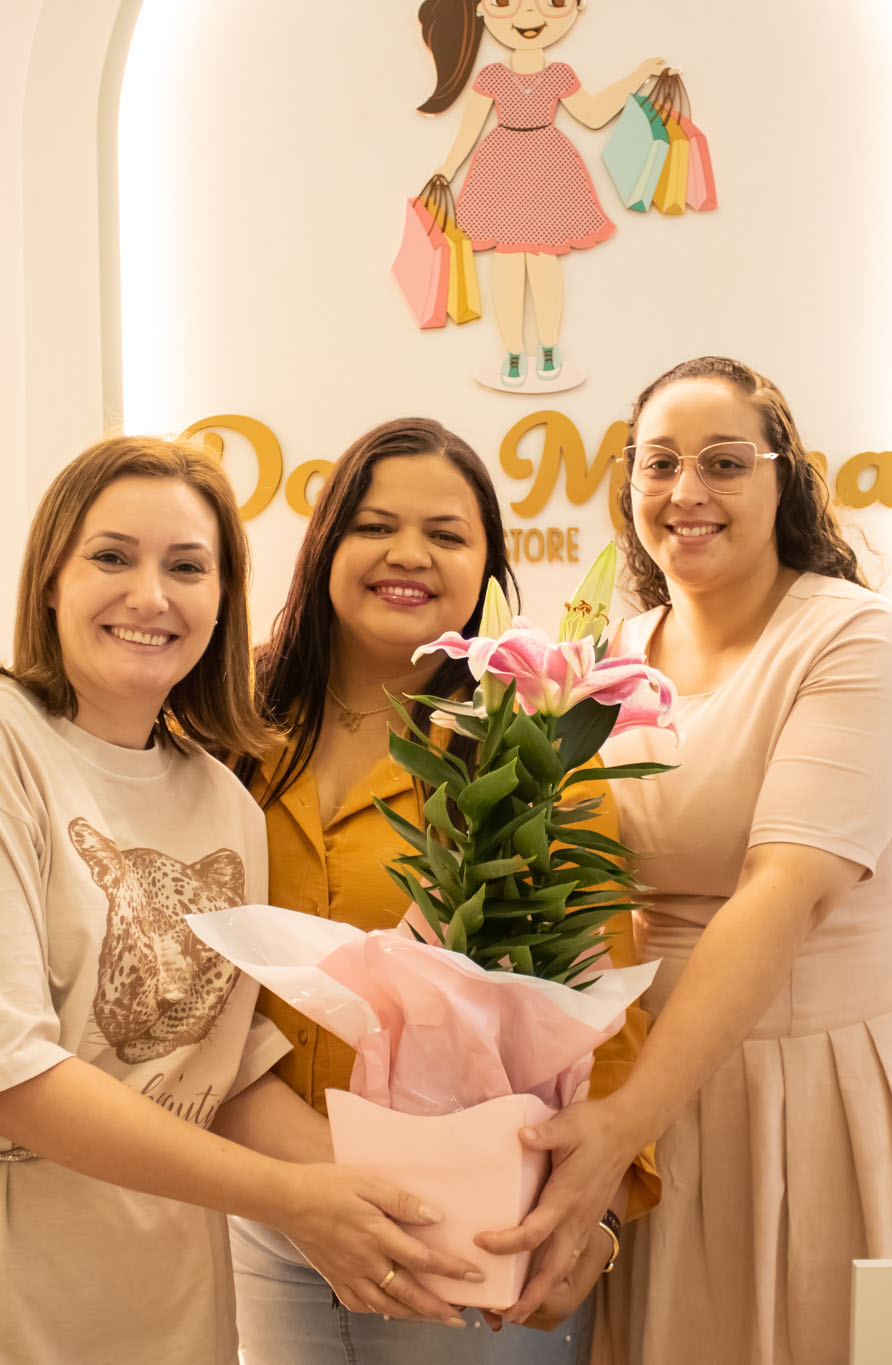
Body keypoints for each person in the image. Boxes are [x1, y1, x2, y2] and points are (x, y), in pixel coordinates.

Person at [0, 437, 482, 1364]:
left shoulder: (223, 797)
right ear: (49, 579)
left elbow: (219, 1065)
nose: (150, 595)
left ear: (223, 599)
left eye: (186, 566)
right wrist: (291, 1199)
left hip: (163, 1278)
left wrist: (413, 1203)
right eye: (112, 556)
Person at [480, 360, 892, 1365]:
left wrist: (622, 1122)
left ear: (784, 480)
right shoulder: (611, 656)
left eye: (724, 462)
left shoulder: (858, 642)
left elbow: (783, 891)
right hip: (659, 1087)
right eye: (659, 464)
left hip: (827, 1085)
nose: (686, 491)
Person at [230, 418, 660, 1365]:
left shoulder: (534, 748)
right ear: (325, 544)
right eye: (375, 525)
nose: (408, 554)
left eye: (447, 534)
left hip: (470, 1228)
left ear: (488, 572)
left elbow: (604, 1016)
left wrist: (595, 1217)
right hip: (268, 1210)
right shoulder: (234, 725)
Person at [418, 0, 664, 389]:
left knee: (543, 259)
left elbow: (593, 114)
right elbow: (469, 129)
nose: (530, 16)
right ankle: (513, 352)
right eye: (506, 3)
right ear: (481, 10)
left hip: (549, 170)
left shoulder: (559, 74)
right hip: (501, 171)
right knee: (507, 263)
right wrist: (446, 169)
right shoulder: (491, 76)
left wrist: (638, 76)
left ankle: (549, 346)